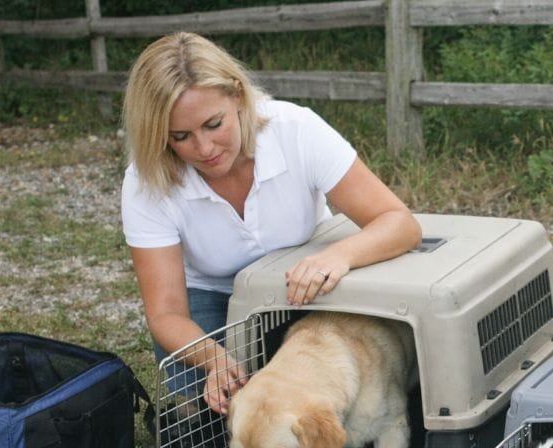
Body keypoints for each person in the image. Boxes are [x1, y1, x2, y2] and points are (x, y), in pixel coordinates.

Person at [121, 32, 421, 414]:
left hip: (306, 286)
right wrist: (215, 361)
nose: (204, 149)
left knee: (314, 396)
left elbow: (399, 222)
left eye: (214, 124)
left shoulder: (295, 129)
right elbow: (166, 313)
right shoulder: (145, 180)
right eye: (181, 137)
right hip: (214, 298)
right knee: (215, 420)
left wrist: (338, 257)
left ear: (237, 96)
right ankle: (187, 411)